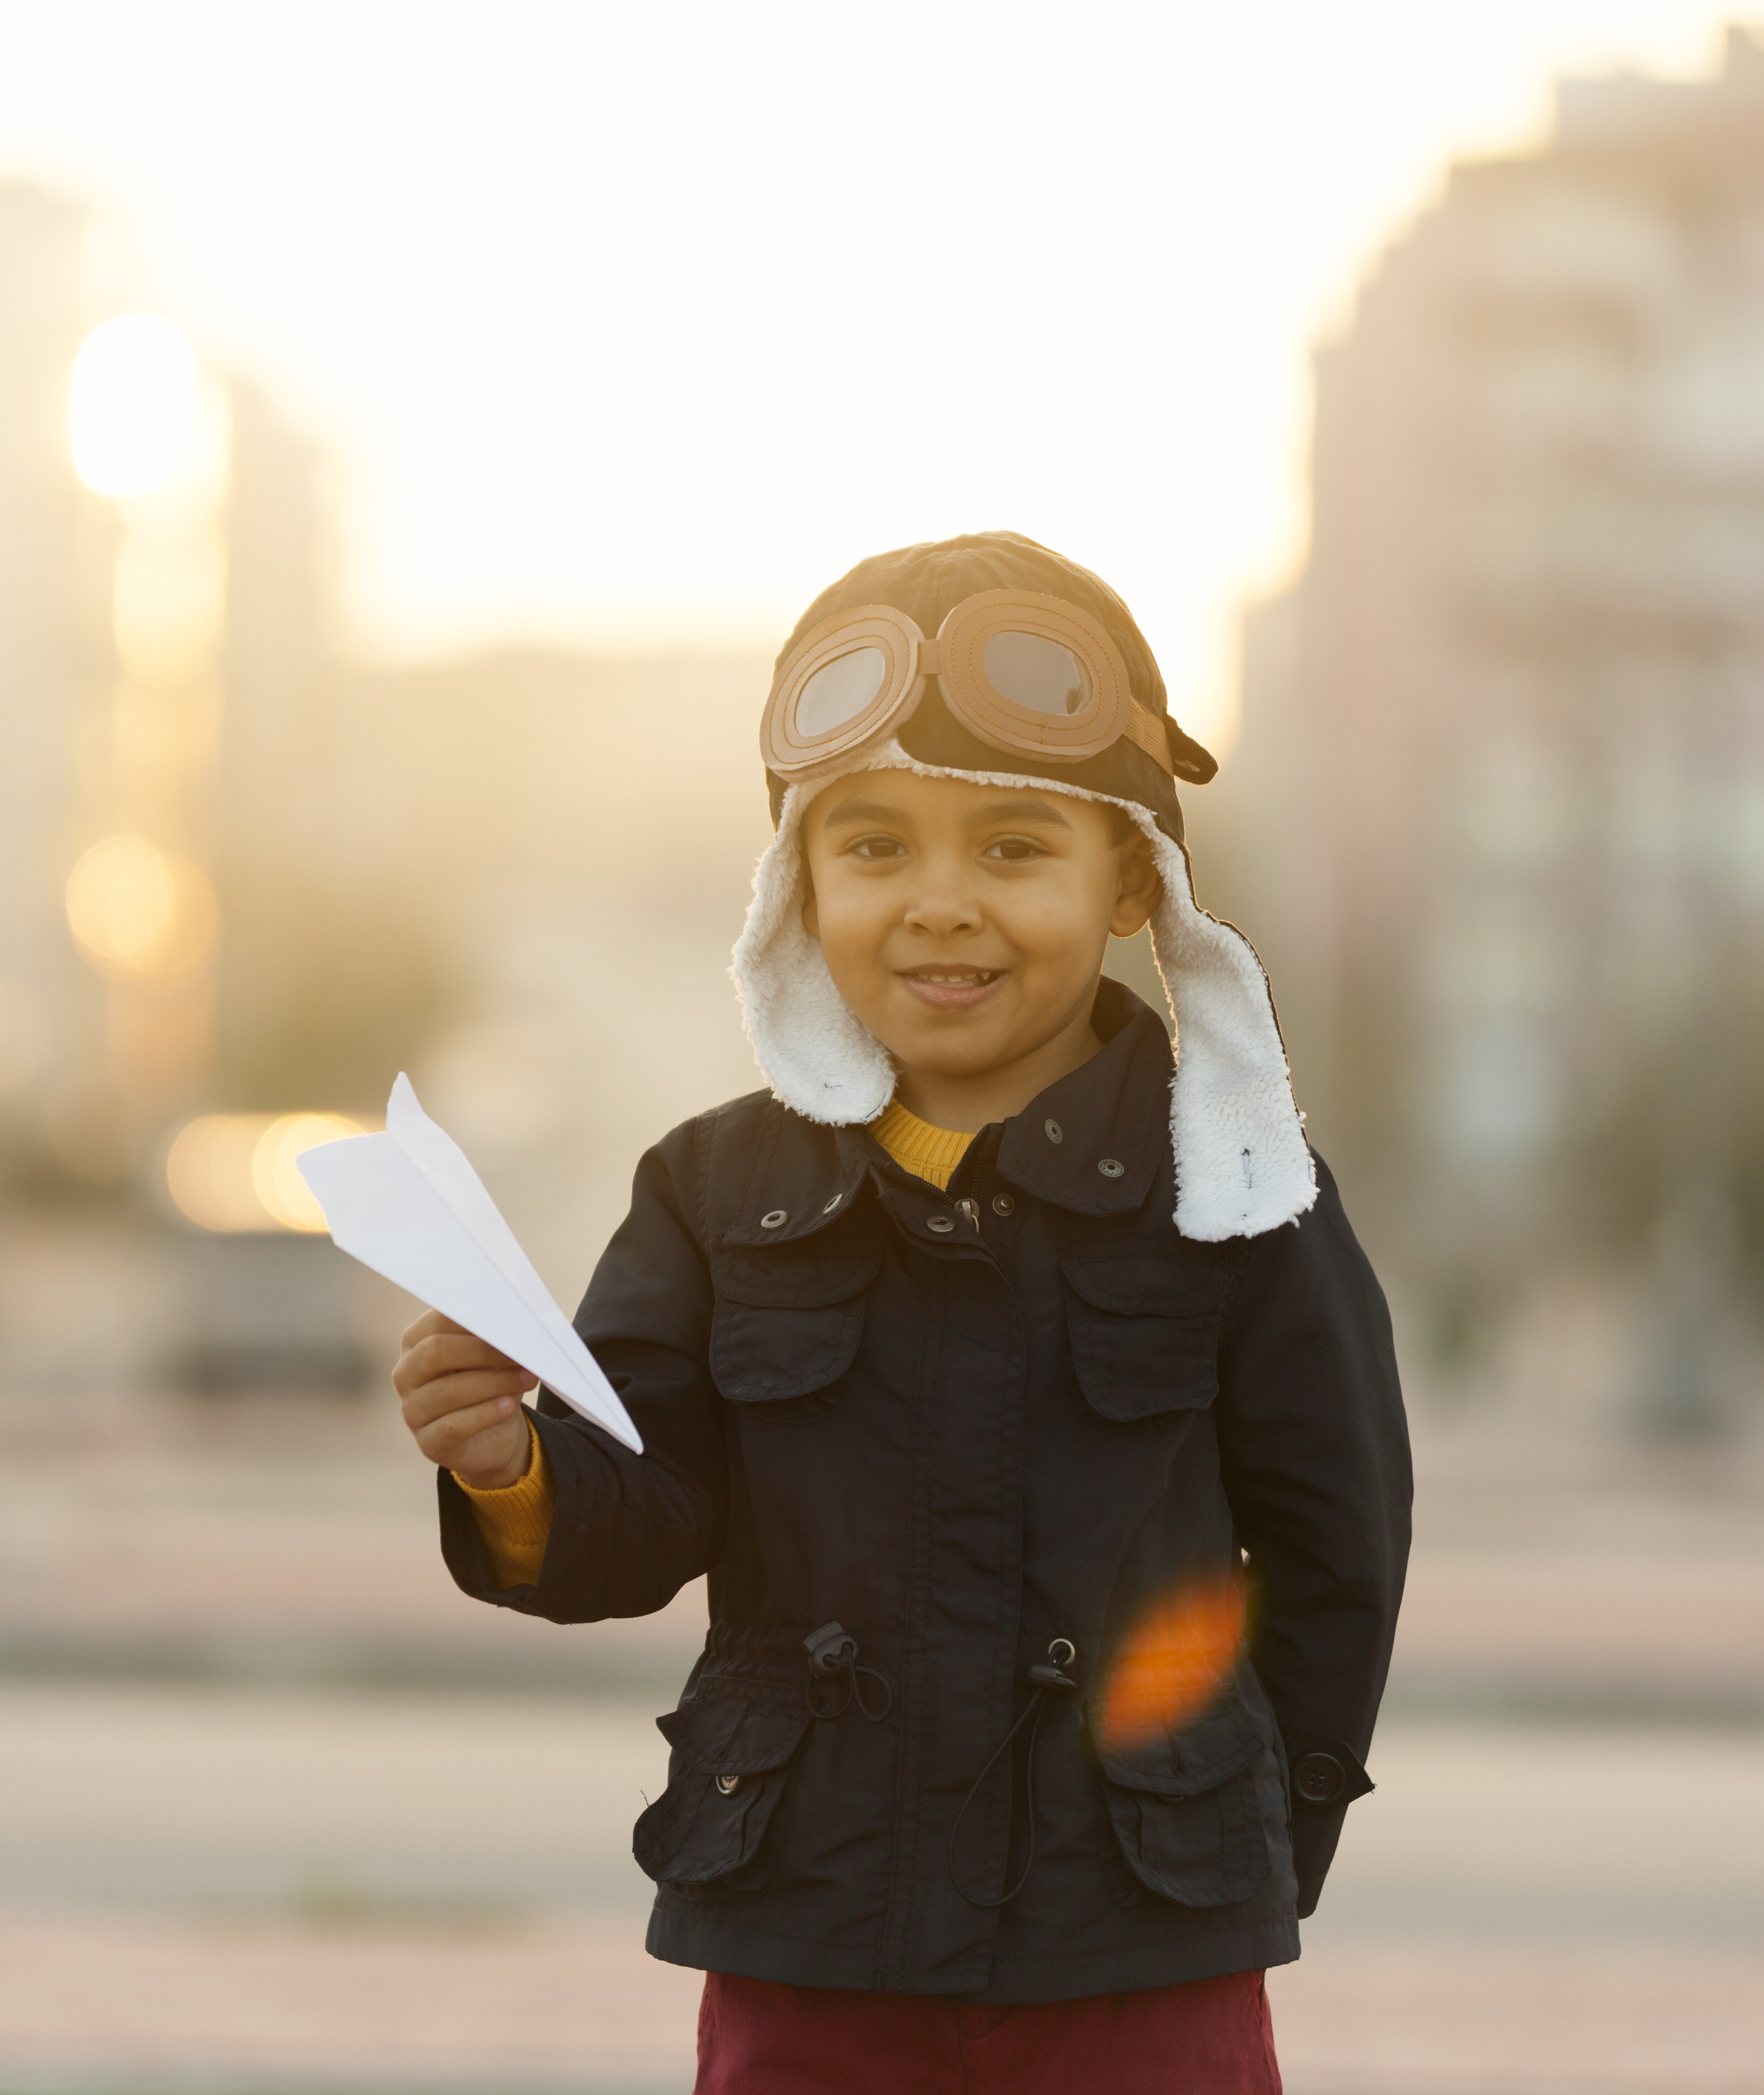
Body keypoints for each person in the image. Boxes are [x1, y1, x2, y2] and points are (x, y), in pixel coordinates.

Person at [391, 531, 1410, 2093]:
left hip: (1137, 1969)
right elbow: (641, 1512)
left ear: (1132, 872)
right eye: (874, 849)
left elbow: (1340, 1553)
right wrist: (506, 1467)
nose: (940, 906)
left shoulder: (1238, 1189)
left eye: (1012, 849)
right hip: (813, 1948)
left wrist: (1240, 1849)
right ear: (798, 881)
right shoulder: (712, 1192)